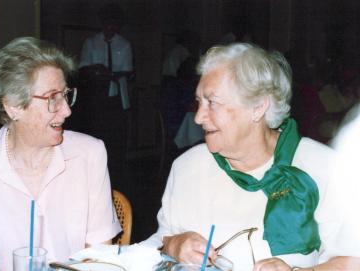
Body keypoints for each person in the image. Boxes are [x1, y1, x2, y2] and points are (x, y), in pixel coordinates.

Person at [143, 43, 360, 271]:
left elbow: (353, 261)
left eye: (212, 103)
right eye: (199, 102)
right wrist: (174, 244)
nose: (198, 117)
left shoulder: (326, 167)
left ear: (258, 107)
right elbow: (160, 241)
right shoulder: (186, 167)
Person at [0, 37, 121, 271]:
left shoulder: (89, 154)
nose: (66, 110)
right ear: (13, 106)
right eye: (52, 98)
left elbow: (99, 256)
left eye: (66, 95)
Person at [79, 2, 133, 110]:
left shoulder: (125, 45)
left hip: (116, 95)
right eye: (108, 22)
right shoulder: (90, 42)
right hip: (94, 94)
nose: (111, 26)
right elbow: (82, 69)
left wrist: (109, 74)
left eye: (114, 23)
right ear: (102, 22)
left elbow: (128, 71)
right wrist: (97, 68)